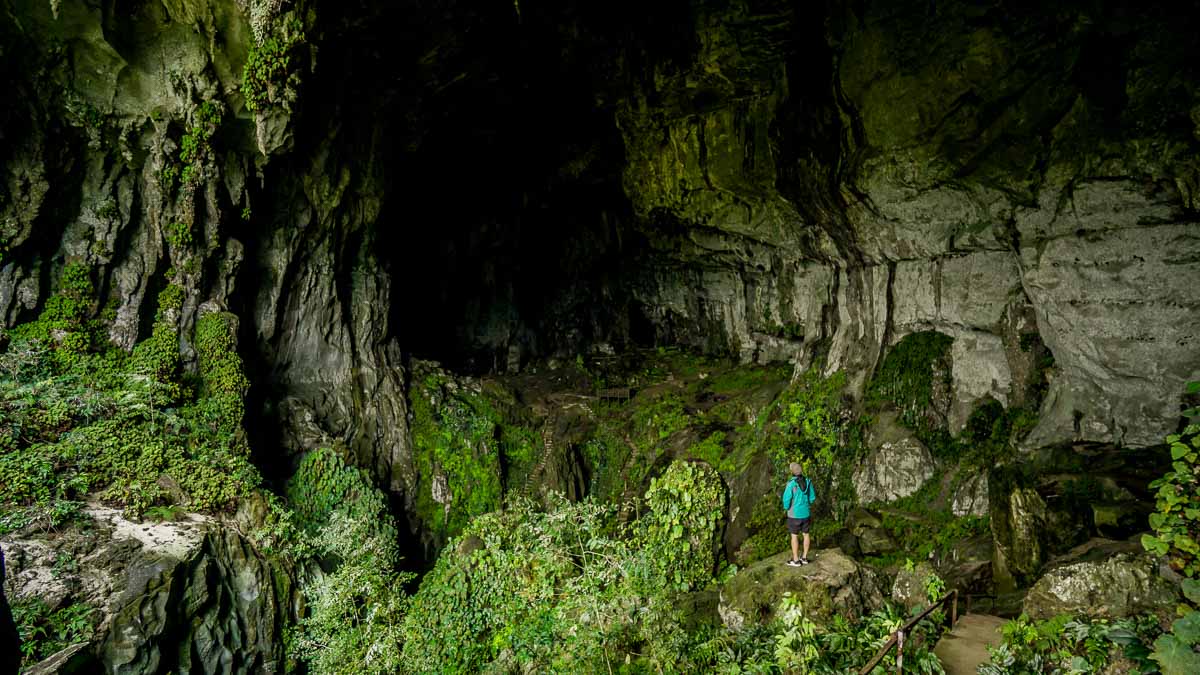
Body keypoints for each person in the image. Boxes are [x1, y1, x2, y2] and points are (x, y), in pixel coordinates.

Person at [781, 462, 815, 567]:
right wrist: (806, 504)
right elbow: (812, 498)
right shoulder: (808, 482)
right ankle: (804, 557)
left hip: (794, 515)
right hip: (806, 513)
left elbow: (786, 499)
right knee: (806, 534)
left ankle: (796, 560)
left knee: (794, 536)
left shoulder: (791, 484)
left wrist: (786, 508)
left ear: (792, 472)